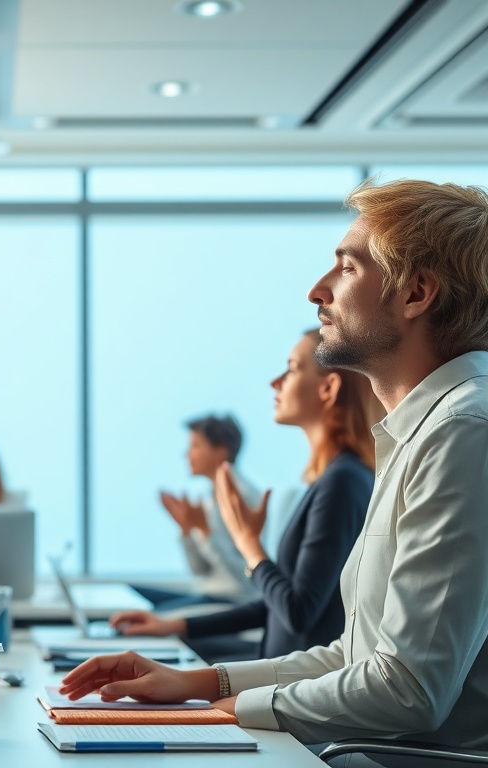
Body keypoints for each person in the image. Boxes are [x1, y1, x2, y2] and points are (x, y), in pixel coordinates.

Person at [60, 178, 488, 757]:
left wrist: (224, 713)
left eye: (347, 269)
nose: (317, 291)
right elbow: (352, 657)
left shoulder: (460, 432)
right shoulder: (420, 433)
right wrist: (195, 684)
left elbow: (410, 689)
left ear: (416, 294)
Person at [113, 329, 379, 662]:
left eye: (292, 368)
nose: (275, 382)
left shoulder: (344, 482)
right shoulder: (332, 480)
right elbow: (273, 605)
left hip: (292, 688)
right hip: (276, 671)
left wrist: (249, 544)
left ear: (328, 388)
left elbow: (298, 612)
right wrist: (174, 625)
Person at [137, 415, 263, 609]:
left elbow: (246, 579)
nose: (187, 455)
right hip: (208, 592)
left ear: (220, 450)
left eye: (195, 446)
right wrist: (186, 530)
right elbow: (199, 570)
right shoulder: (209, 498)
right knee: (134, 593)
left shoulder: (242, 498)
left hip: (231, 601)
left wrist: (205, 531)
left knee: (150, 615)